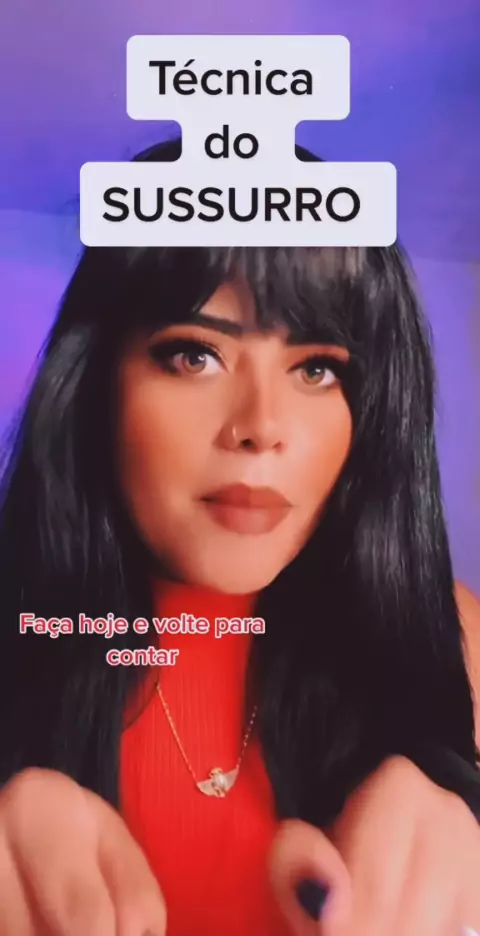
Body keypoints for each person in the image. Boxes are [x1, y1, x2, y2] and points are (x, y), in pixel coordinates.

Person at [0, 137, 479, 936]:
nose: (260, 427)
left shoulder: (456, 636)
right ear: (93, 387)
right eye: (195, 355)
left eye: (317, 368)